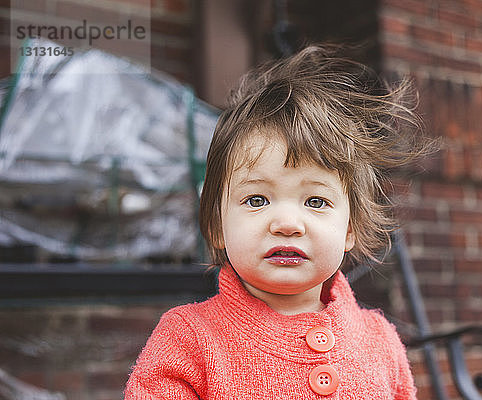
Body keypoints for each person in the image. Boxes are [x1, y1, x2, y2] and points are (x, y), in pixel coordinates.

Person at [124, 45, 432, 399]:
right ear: (216, 226)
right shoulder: (188, 339)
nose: (287, 223)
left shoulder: (380, 339)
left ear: (349, 229)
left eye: (316, 201)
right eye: (257, 200)